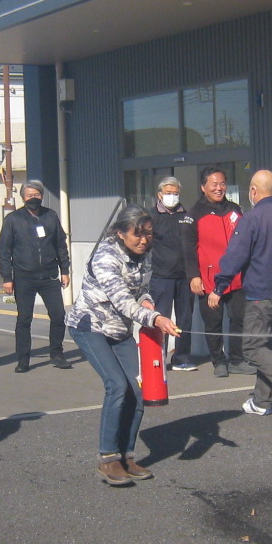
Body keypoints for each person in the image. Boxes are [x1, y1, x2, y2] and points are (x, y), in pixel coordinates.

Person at [66, 205, 181, 486]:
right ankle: (108, 458)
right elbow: (122, 300)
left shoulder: (145, 255)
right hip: (89, 325)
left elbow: (142, 291)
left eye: (148, 235)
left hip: (119, 330)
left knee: (138, 388)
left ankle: (127, 455)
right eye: (137, 235)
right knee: (117, 385)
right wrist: (155, 318)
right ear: (120, 233)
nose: (144, 240)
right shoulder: (105, 256)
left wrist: (148, 302)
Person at [208, 169, 272, 417]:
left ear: (253, 192)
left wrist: (219, 288)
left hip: (261, 294)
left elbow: (235, 257)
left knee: (253, 348)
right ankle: (262, 401)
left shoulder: (251, 219)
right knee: (268, 346)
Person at [0, 179, 71, 372]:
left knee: (58, 316)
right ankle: (23, 359)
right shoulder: (13, 219)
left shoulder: (51, 216)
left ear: (42, 196)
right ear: (23, 197)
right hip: (24, 277)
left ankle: (57, 353)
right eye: (29, 195)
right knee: (24, 319)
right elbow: (4, 250)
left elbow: (61, 245)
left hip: (49, 276)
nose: (33, 198)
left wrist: (65, 270)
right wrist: (7, 277)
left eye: (36, 195)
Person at [185, 166, 253, 378]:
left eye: (222, 183)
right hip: (208, 279)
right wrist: (193, 276)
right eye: (214, 184)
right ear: (203, 187)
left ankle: (236, 359)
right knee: (213, 323)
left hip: (236, 278)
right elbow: (187, 247)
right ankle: (218, 361)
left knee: (239, 319)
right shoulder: (194, 214)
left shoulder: (235, 209)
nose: (219, 188)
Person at [146, 175, 197, 370]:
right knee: (161, 318)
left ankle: (182, 358)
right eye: (168, 193)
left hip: (185, 277)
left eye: (175, 193)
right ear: (159, 194)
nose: (172, 197)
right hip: (160, 277)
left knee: (185, 318)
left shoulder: (187, 216)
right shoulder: (151, 217)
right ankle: (158, 357)